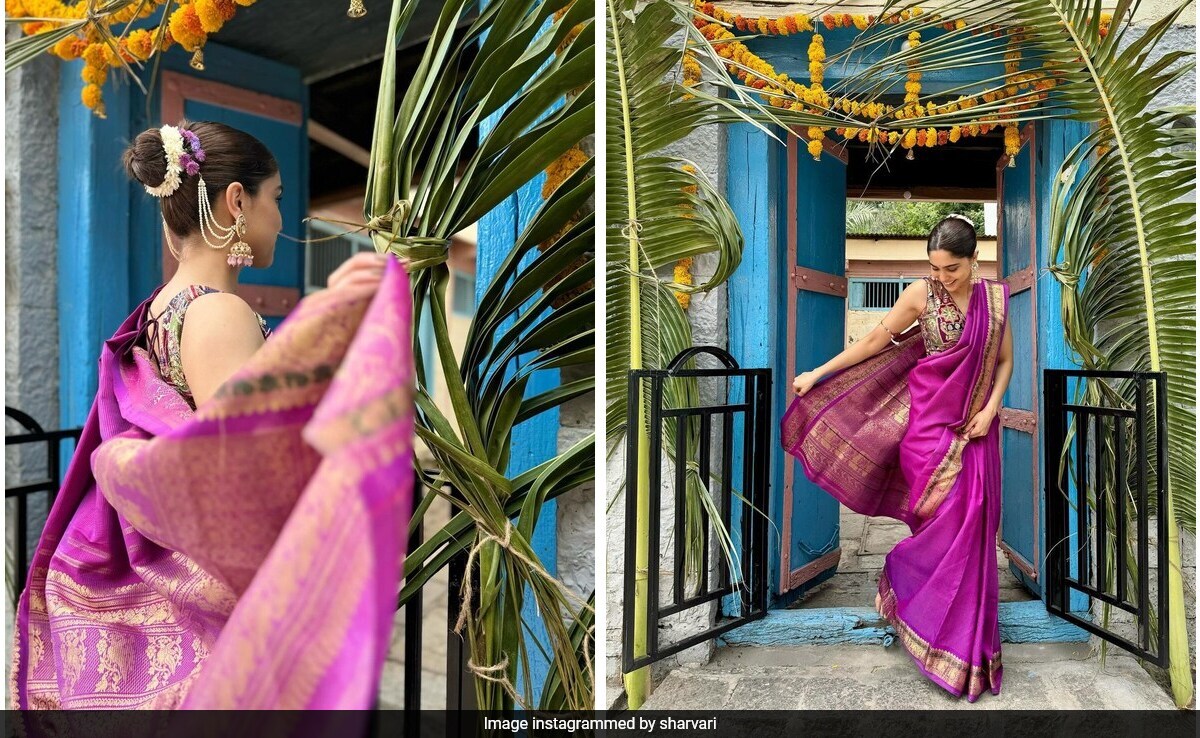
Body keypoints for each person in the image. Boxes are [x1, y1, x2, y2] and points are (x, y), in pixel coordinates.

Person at [10, 121, 416, 710]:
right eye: (274, 199)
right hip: (212, 608)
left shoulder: (157, 310)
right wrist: (331, 327)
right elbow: (242, 471)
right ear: (235, 201)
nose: (280, 217)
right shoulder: (218, 312)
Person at [782, 214, 1013, 703]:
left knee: (973, 531)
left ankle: (965, 649)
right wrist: (817, 375)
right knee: (938, 533)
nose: (941, 277)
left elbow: (1004, 361)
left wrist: (992, 411)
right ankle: (903, 579)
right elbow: (870, 343)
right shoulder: (919, 295)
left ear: (974, 260)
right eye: (934, 267)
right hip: (927, 435)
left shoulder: (995, 300)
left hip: (975, 432)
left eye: (951, 269)